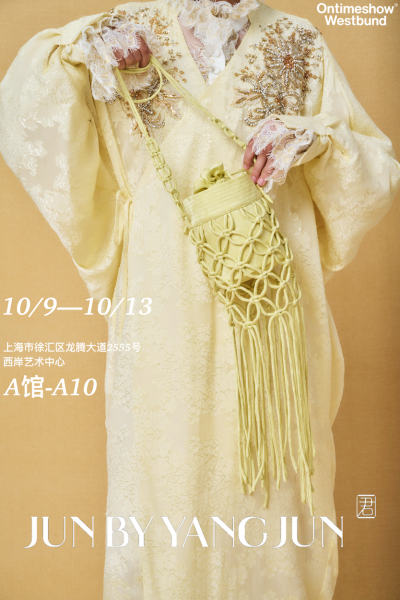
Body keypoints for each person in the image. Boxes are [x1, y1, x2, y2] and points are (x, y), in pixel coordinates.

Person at [0, 1, 399, 598]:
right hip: (164, 302)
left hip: (270, 308)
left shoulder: (299, 41)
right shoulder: (128, 29)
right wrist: (82, 49)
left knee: (277, 484)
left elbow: (374, 172)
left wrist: (312, 138)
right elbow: (24, 110)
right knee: (167, 477)